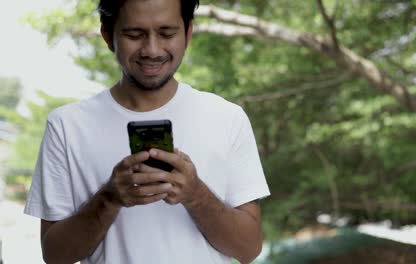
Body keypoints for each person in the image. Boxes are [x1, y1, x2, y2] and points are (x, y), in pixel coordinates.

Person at [23, 0, 270, 263]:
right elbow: (54, 256)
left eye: (166, 33)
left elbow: (249, 249)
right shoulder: (66, 126)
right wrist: (109, 198)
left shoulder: (228, 118)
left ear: (187, 34)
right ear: (108, 36)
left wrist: (196, 195)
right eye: (134, 34)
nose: (152, 50)